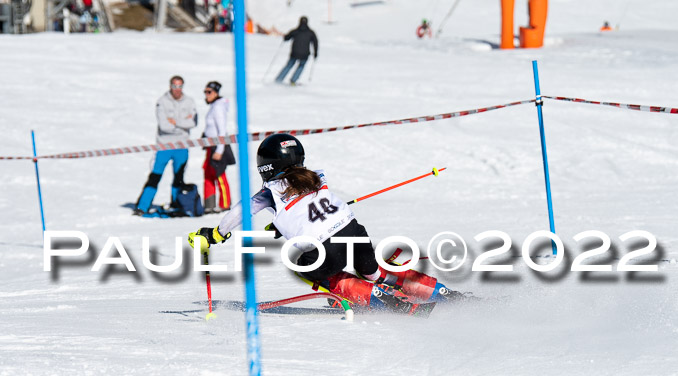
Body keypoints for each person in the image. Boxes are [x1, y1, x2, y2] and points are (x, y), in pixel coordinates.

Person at [188, 134, 460, 312]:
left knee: (303, 268)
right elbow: (306, 208)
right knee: (372, 269)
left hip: (326, 248)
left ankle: (385, 301)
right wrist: (282, 224)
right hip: (354, 231)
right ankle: (438, 292)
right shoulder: (314, 175)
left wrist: (215, 234)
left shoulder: (269, 190)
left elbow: (240, 212)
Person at [134, 76, 197, 216]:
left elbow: (192, 123)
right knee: (155, 176)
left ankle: (177, 204)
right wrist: (181, 123)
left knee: (178, 178)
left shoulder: (189, 101)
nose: (177, 89)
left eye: (180, 86)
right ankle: (142, 206)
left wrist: (175, 122)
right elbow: (164, 126)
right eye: (174, 86)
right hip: (164, 146)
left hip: (182, 146)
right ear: (170, 86)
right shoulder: (162, 102)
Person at [202, 81, 235, 214]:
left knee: (219, 174)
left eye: (209, 92)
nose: (206, 94)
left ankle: (225, 204)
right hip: (211, 146)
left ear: (216, 93)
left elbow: (222, 131)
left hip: (218, 146)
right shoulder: (214, 106)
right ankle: (209, 205)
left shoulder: (218, 107)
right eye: (205, 92)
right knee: (208, 174)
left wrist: (220, 150)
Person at [275, 16, 318, 86]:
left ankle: (279, 79)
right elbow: (315, 42)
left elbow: (287, 38)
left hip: (294, 53)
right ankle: (293, 80)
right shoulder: (311, 32)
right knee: (301, 66)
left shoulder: (295, 31)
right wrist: (315, 53)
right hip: (305, 54)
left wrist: (285, 37)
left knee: (289, 65)